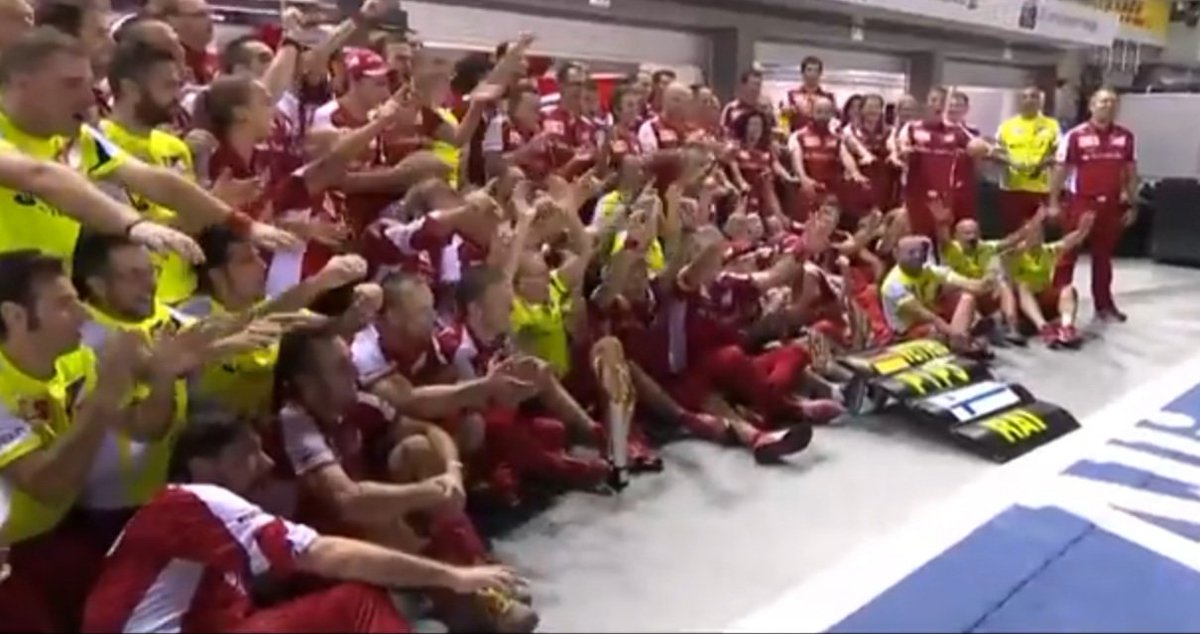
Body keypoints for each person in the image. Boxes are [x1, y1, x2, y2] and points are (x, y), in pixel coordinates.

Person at [81, 412, 523, 633]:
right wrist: (453, 577)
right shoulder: (199, 499)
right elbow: (328, 554)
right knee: (355, 601)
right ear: (202, 463)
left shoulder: (180, 512)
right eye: (248, 454)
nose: (266, 462)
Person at [271, 325, 540, 632]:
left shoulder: (359, 403)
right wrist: (426, 493)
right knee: (373, 513)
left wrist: (452, 471)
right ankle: (471, 591)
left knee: (419, 451)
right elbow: (346, 502)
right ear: (307, 384)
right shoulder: (293, 421)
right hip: (311, 551)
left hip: (366, 528)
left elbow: (429, 430)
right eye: (340, 367)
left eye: (350, 361)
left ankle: (473, 574)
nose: (353, 370)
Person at [0, 28, 289, 265]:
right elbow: (42, 176)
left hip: (43, 308)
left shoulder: (77, 139)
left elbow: (157, 182)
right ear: (22, 83)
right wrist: (133, 225)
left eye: (87, 85)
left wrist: (243, 224)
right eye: (70, 84)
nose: (88, 100)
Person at [1049, 87, 1137, 323]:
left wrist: (1132, 203)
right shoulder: (1075, 136)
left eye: (1112, 102)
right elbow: (1060, 169)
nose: (1107, 105)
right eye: (1102, 101)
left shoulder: (1125, 136)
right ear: (1091, 105)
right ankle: (1056, 302)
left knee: (1103, 258)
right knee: (1067, 255)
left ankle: (1104, 305)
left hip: (1110, 206)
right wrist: (1053, 202)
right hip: (1080, 203)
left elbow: (1129, 171)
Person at [879, 235, 991, 353]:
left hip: (934, 317)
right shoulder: (893, 285)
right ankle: (960, 341)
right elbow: (927, 316)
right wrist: (956, 334)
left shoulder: (930, 270)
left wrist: (987, 281)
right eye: (911, 253)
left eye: (920, 252)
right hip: (909, 331)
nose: (917, 256)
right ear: (896, 255)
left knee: (966, 297)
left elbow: (968, 283)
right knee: (936, 331)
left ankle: (960, 340)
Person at [896, 86, 973, 240]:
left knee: (943, 238)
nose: (937, 105)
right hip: (916, 195)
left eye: (942, 101)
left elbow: (976, 144)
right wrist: (905, 152)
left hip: (944, 196)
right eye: (933, 100)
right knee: (916, 236)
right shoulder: (911, 127)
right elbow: (900, 150)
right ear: (926, 103)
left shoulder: (956, 130)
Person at [1009, 211, 1094, 348]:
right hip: (1021, 308)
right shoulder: (1014, 253)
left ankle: (1067, 328)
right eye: (1032, 233)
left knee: (1068, 289)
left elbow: (1068, 242)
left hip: (1043, 300)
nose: (1036, 237)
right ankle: (1043, 328)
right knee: (1023, 286)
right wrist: (1034, 221)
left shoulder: (1047, 251)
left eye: (1039, 234)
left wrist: (1083, 229)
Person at [995, 86, 1061, 234]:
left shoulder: (1052, 126)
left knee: (1036, 234)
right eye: (1025, 97)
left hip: (1041, 188)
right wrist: (1011, 162)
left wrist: (1041, 164)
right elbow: (995, 152)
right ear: (1019, 101)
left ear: (1040, 102)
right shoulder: (1006, 126)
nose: (1029, 100)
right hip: (1012, 189)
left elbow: (1059, 154)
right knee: (1012, 234)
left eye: (1033, 97)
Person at [784, 55, 835, 133]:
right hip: (797, 140)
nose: (812, 74)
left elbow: (834, 123)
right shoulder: (791, 96)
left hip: (823, 141)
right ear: (802, 72)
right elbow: (784, 121)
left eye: (816, 71)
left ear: (820, 74)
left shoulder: (828, 97)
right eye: (809, 70)